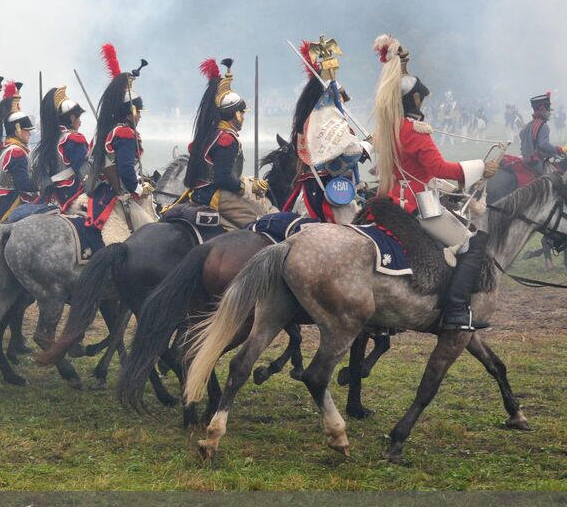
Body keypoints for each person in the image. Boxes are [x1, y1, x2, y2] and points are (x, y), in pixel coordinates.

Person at [369, 34, 498, 331]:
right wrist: (481, 167)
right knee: (472, 243)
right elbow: (439, 167)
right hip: (416, 206)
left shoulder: (390, 127)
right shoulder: (415, 130)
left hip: (387, 202)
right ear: (416, 99)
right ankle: (455, 311)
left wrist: (401, 64)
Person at [284, 37, 368, 224]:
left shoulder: (312, 119)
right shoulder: (326, 119)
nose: (344, 103)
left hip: (309, 191)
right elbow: (349, 153)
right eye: (342, 98)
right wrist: (368, 145)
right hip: (328, 193)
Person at [182, 57, 268, 228]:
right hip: (216, 195)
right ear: (236, 114)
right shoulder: (227, 139)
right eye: (242, 113)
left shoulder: (211, 133)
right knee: (261, 222)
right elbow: (222, 178)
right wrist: (247, 187)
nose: (243, 117)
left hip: (199, 191)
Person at [86, 44, 148, 228]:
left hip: (99, 190)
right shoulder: (124, 132)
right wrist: (139, 189)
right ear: (131, 111)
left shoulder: (107, 130)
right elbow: (127, 170)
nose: (140, 116)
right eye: (139, 111)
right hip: (116, 193)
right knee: (150, 227)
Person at [0, 85, 37, 221]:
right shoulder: (16, 152)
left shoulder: (7, 148)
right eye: (26, 129)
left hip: (0, 200)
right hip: (9, 203)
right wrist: (42, 183)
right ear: (18, 129)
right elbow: (23, 184)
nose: (29, 133)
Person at [33, 85, 89, 213]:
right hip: (71, 195)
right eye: (78, 117)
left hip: (53, 196)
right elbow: (86, 174)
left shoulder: (50, 140)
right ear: (71, 118)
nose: (80, 122)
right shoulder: (73, 139)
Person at [519, 92, 562, 174]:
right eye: (548, 110)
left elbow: (521, 134)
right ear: (543, 110)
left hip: (525, 159)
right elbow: (543, 144)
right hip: (537, 162)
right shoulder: (543, 125)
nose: (549, 113)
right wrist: (557, 149)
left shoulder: (527, 125)